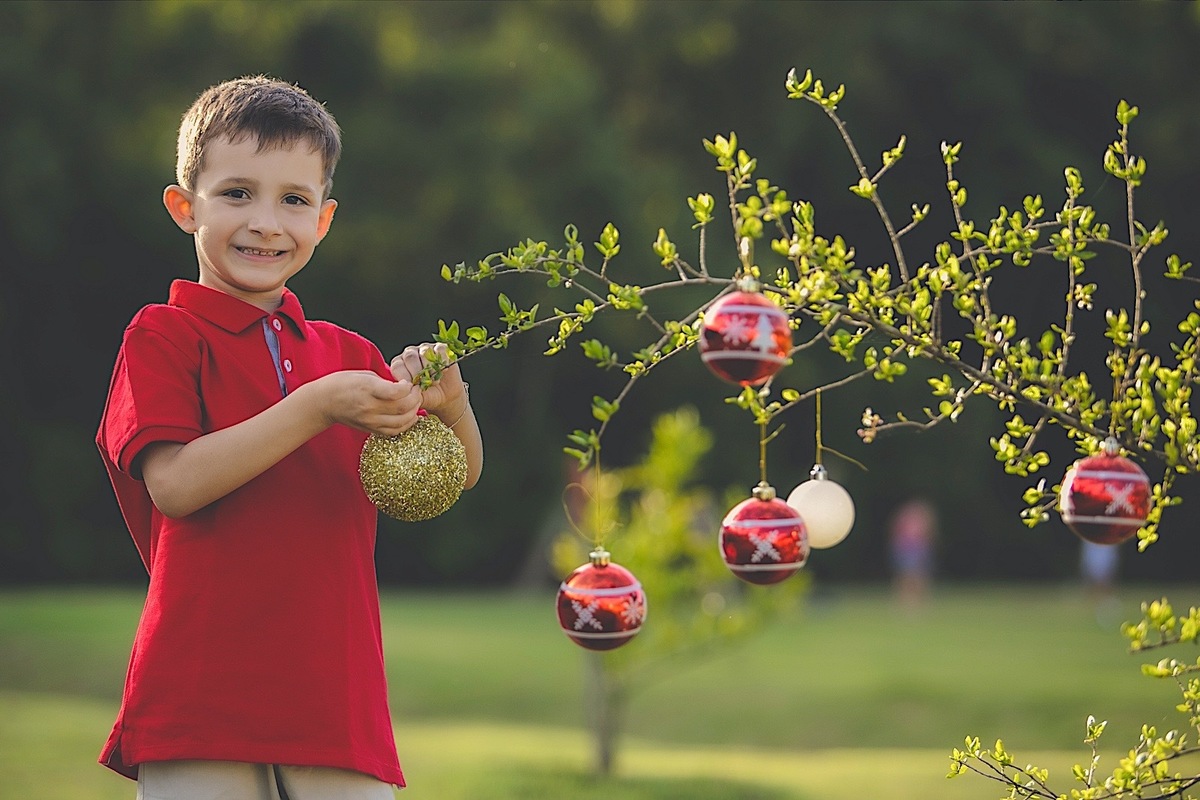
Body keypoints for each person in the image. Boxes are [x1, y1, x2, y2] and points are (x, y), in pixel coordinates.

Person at [95, 75, 484, 799]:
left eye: (294, 200)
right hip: (201, 688)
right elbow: (175, 485)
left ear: (324, 220)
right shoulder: (163, 335)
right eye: (237, 193)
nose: (266, 223)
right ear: (185, 207)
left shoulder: (348, 356)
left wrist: (451, 404)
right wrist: (315, 407)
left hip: (334, 692)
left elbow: (454, 477)